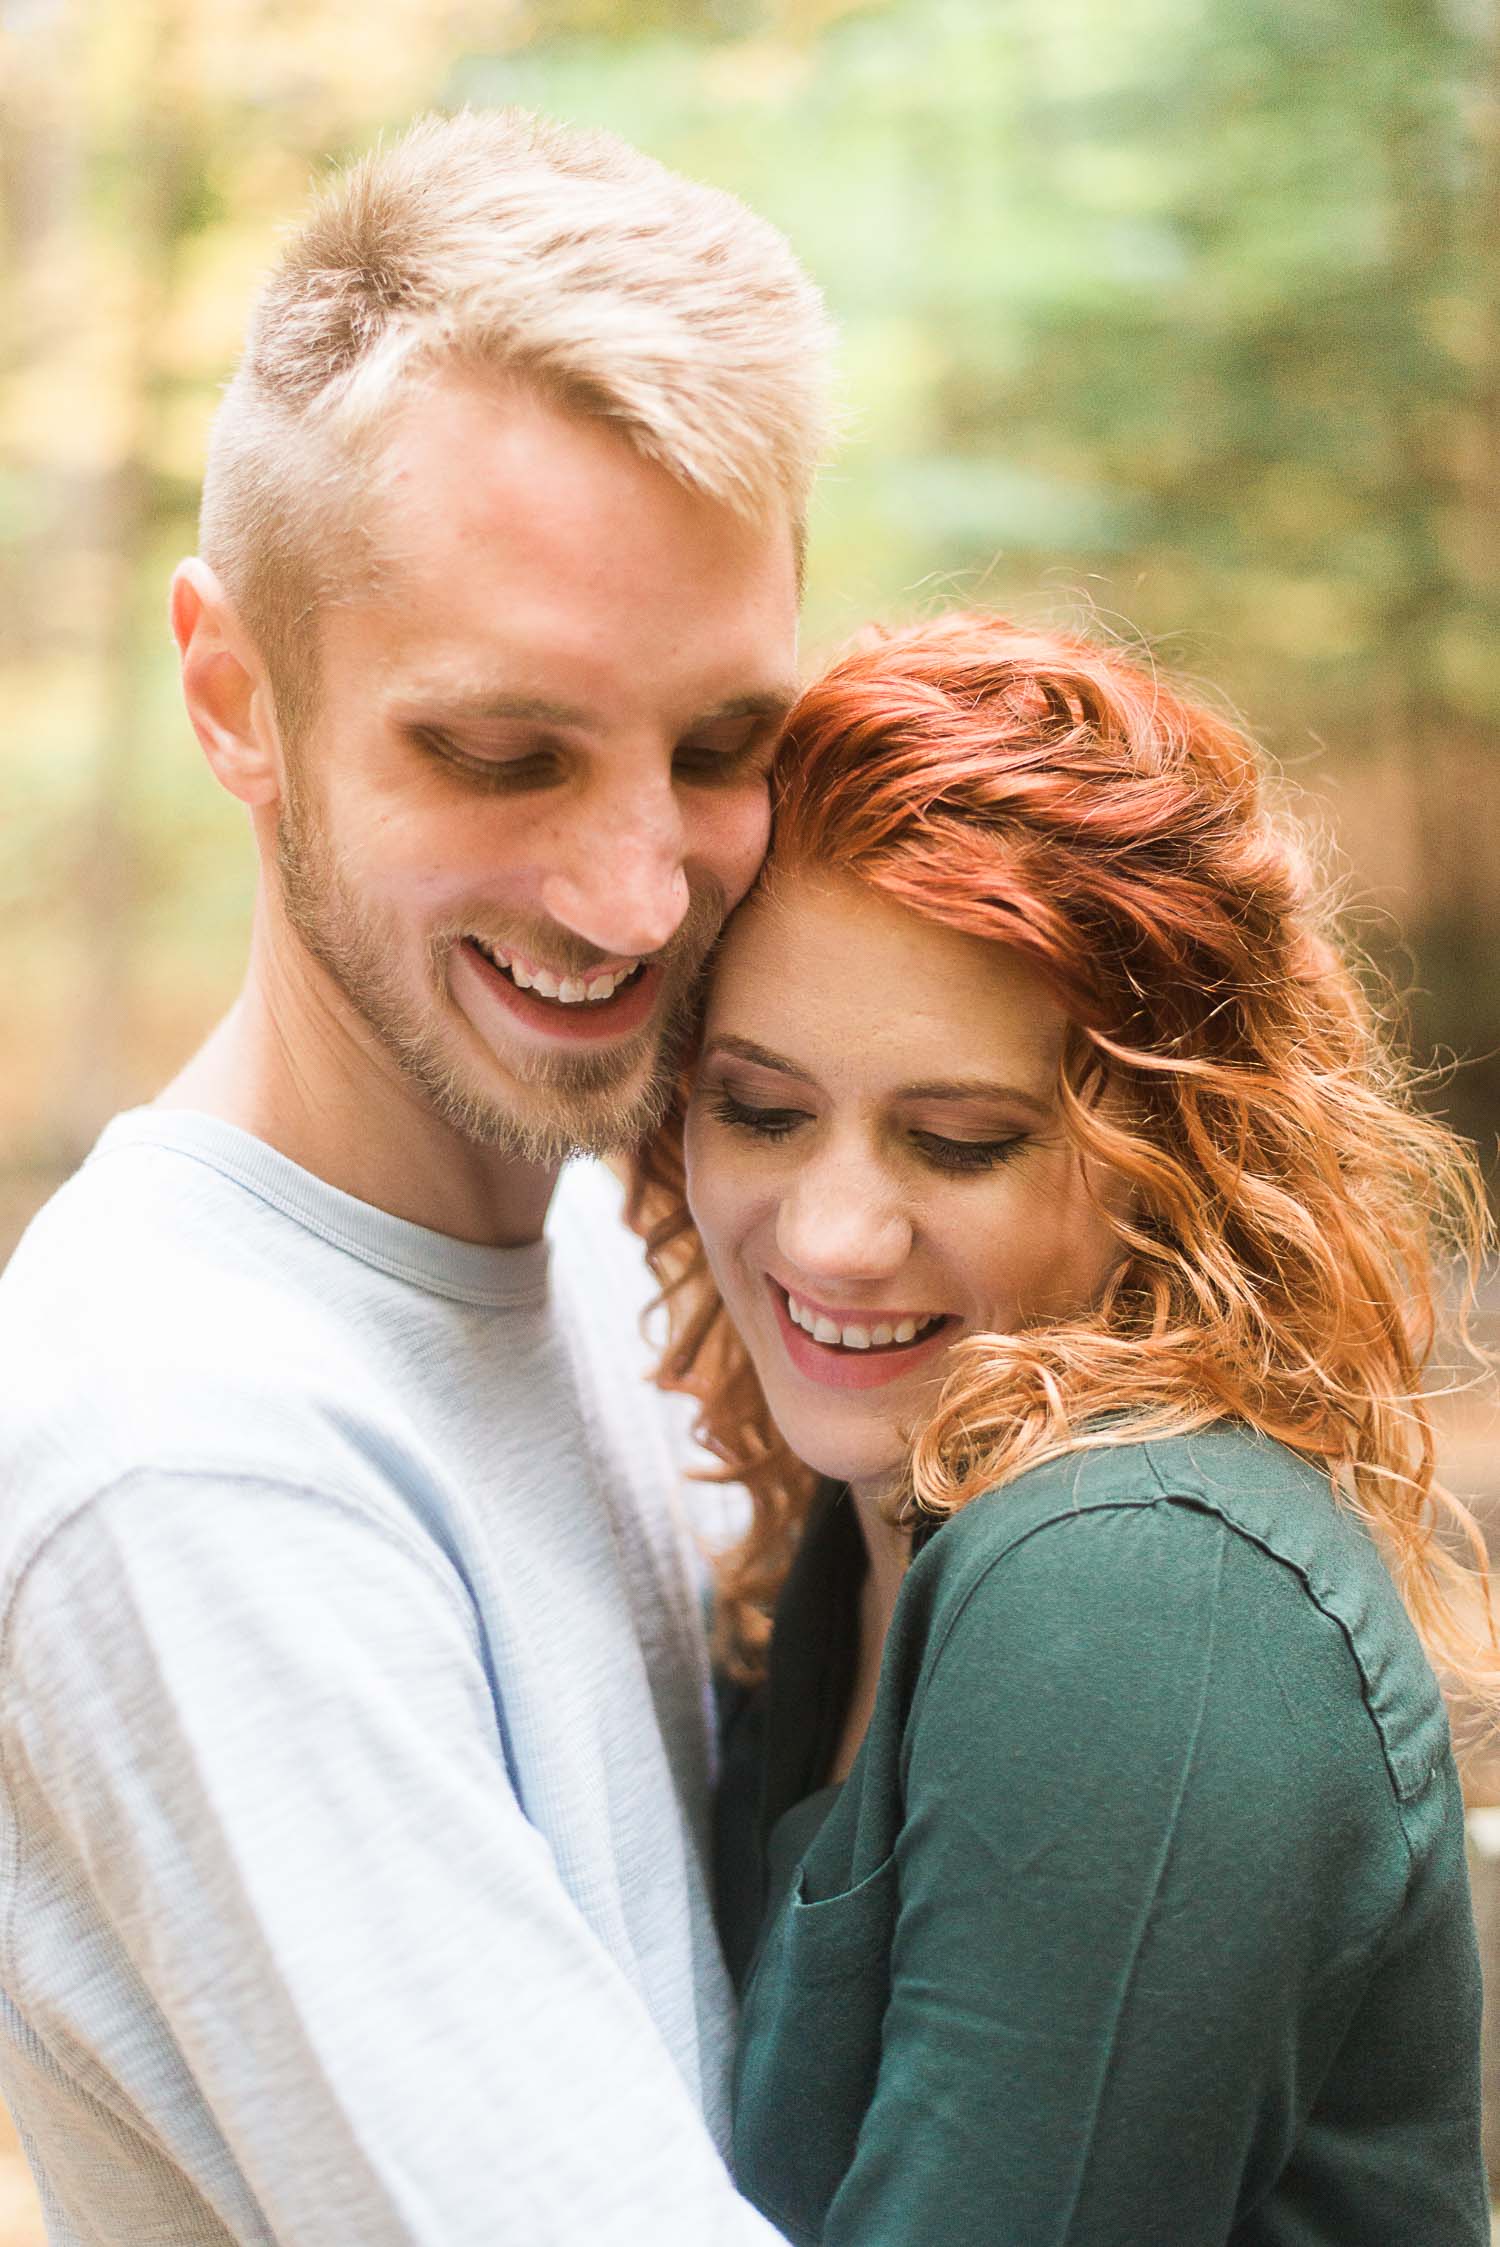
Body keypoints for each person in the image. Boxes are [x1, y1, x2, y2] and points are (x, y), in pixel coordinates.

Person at [0, 109, 832, 2242]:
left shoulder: (623, 1245)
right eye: (501, 752)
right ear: (232, 696)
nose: (642, 889)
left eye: (722, 746)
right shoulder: (187, 1451)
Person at [629, 613, 1495, 2245]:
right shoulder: (848, 1547)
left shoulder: (1141, 1594)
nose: (830, 1239)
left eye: (960, 1141)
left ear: (1171, 1154)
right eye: (759, 1109)